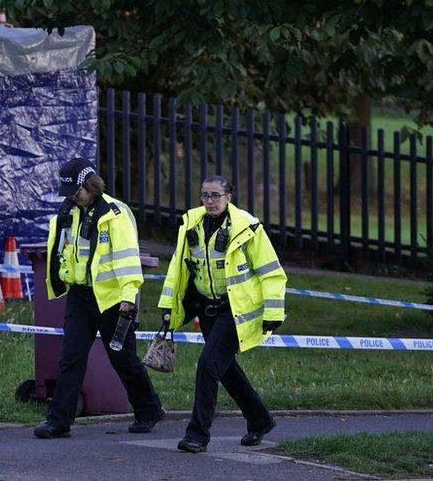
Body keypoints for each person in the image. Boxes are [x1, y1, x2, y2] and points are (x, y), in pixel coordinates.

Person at [34, 158, 165, 439]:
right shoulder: (68, 212)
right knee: (71, 357)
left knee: (123, 359)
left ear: (90, 185)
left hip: (113, 299)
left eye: (76, 190)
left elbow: (129, 260)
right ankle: (59, 420)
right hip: (81, 296)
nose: (72, 196)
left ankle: (149, 409)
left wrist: (129, 298)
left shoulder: (115, 213)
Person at [157, 176, 286, 453]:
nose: (210, 201)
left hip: (235, 310)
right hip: (207, 309)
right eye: (205, 195)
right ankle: (260, 419)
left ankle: (197, 434)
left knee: (207, 366)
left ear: (229, 197)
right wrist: (168, 306)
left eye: (216, 195)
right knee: (225, 370)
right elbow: (177, 270)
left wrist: (274, 312)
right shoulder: (191, 224)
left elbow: (271, 272)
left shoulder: (247, 228)